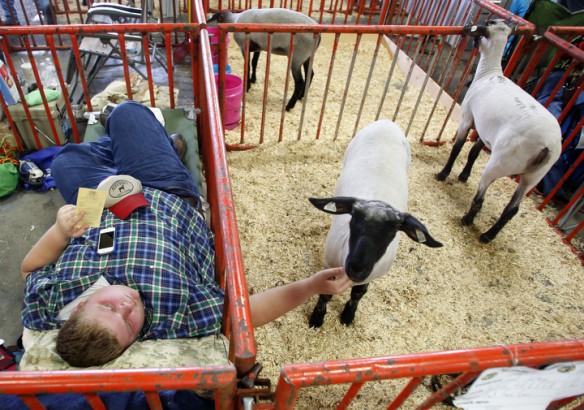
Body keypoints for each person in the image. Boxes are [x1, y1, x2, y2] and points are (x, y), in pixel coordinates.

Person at [20, 100, 352, 367]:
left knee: (67, 159)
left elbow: (30, 268)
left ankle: (140, 150)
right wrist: (309, 286)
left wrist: (59, 232)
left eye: (108, 308)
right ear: (135, 339)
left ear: (78, 309)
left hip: (97, 202)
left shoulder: (50, 303)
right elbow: (244, 314)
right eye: (129, 322)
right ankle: (160, 150)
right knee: (128, 115)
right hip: (165, 193)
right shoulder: (172, 316)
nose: (125, 305)